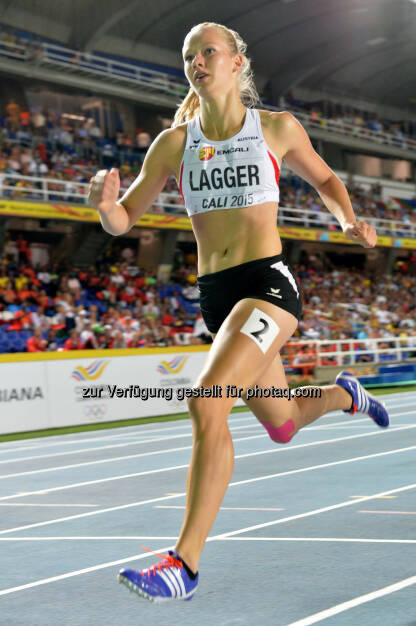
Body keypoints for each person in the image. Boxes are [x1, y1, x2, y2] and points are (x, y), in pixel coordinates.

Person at [88, 22, 389, 602]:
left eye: (208, 52)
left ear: (236, 62)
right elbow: (125, 219)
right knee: (281, 425)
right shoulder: (174, 144)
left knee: (207, 402)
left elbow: (326, 177)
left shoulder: (273, 128)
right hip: (218, 298)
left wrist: (347, 219)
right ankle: (343, 394)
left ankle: (185, 564)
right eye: (188, 56)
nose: (197, 62)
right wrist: (105, 211)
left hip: (268, 286)